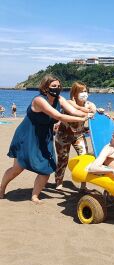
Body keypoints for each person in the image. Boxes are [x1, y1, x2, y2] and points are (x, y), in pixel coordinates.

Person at [1, 75, 92, 203]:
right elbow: (58, 115)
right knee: (18, 168)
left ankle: (35, 196)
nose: (57, 88)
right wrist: (82, 119)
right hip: (28, 135)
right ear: (45, 87)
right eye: (54, 86)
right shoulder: (39, 100)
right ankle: (1, 188)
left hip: (45, 137)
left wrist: (90, 114)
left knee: (47, 167)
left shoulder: (59, 99)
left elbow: (73, 111)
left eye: (59, 86)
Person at [54, 82, 96, 190]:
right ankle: (59, 182)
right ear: (74, 93)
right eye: (81, 91)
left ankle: (83, 185)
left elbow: (93, 111)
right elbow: (75, 111)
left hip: (79, 135)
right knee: (63, 159)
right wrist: (81, 108)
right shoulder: (68, 102)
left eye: (85, 91)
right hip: (63, 135)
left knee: (84, 157)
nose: (84, 93)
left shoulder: (89, 104)